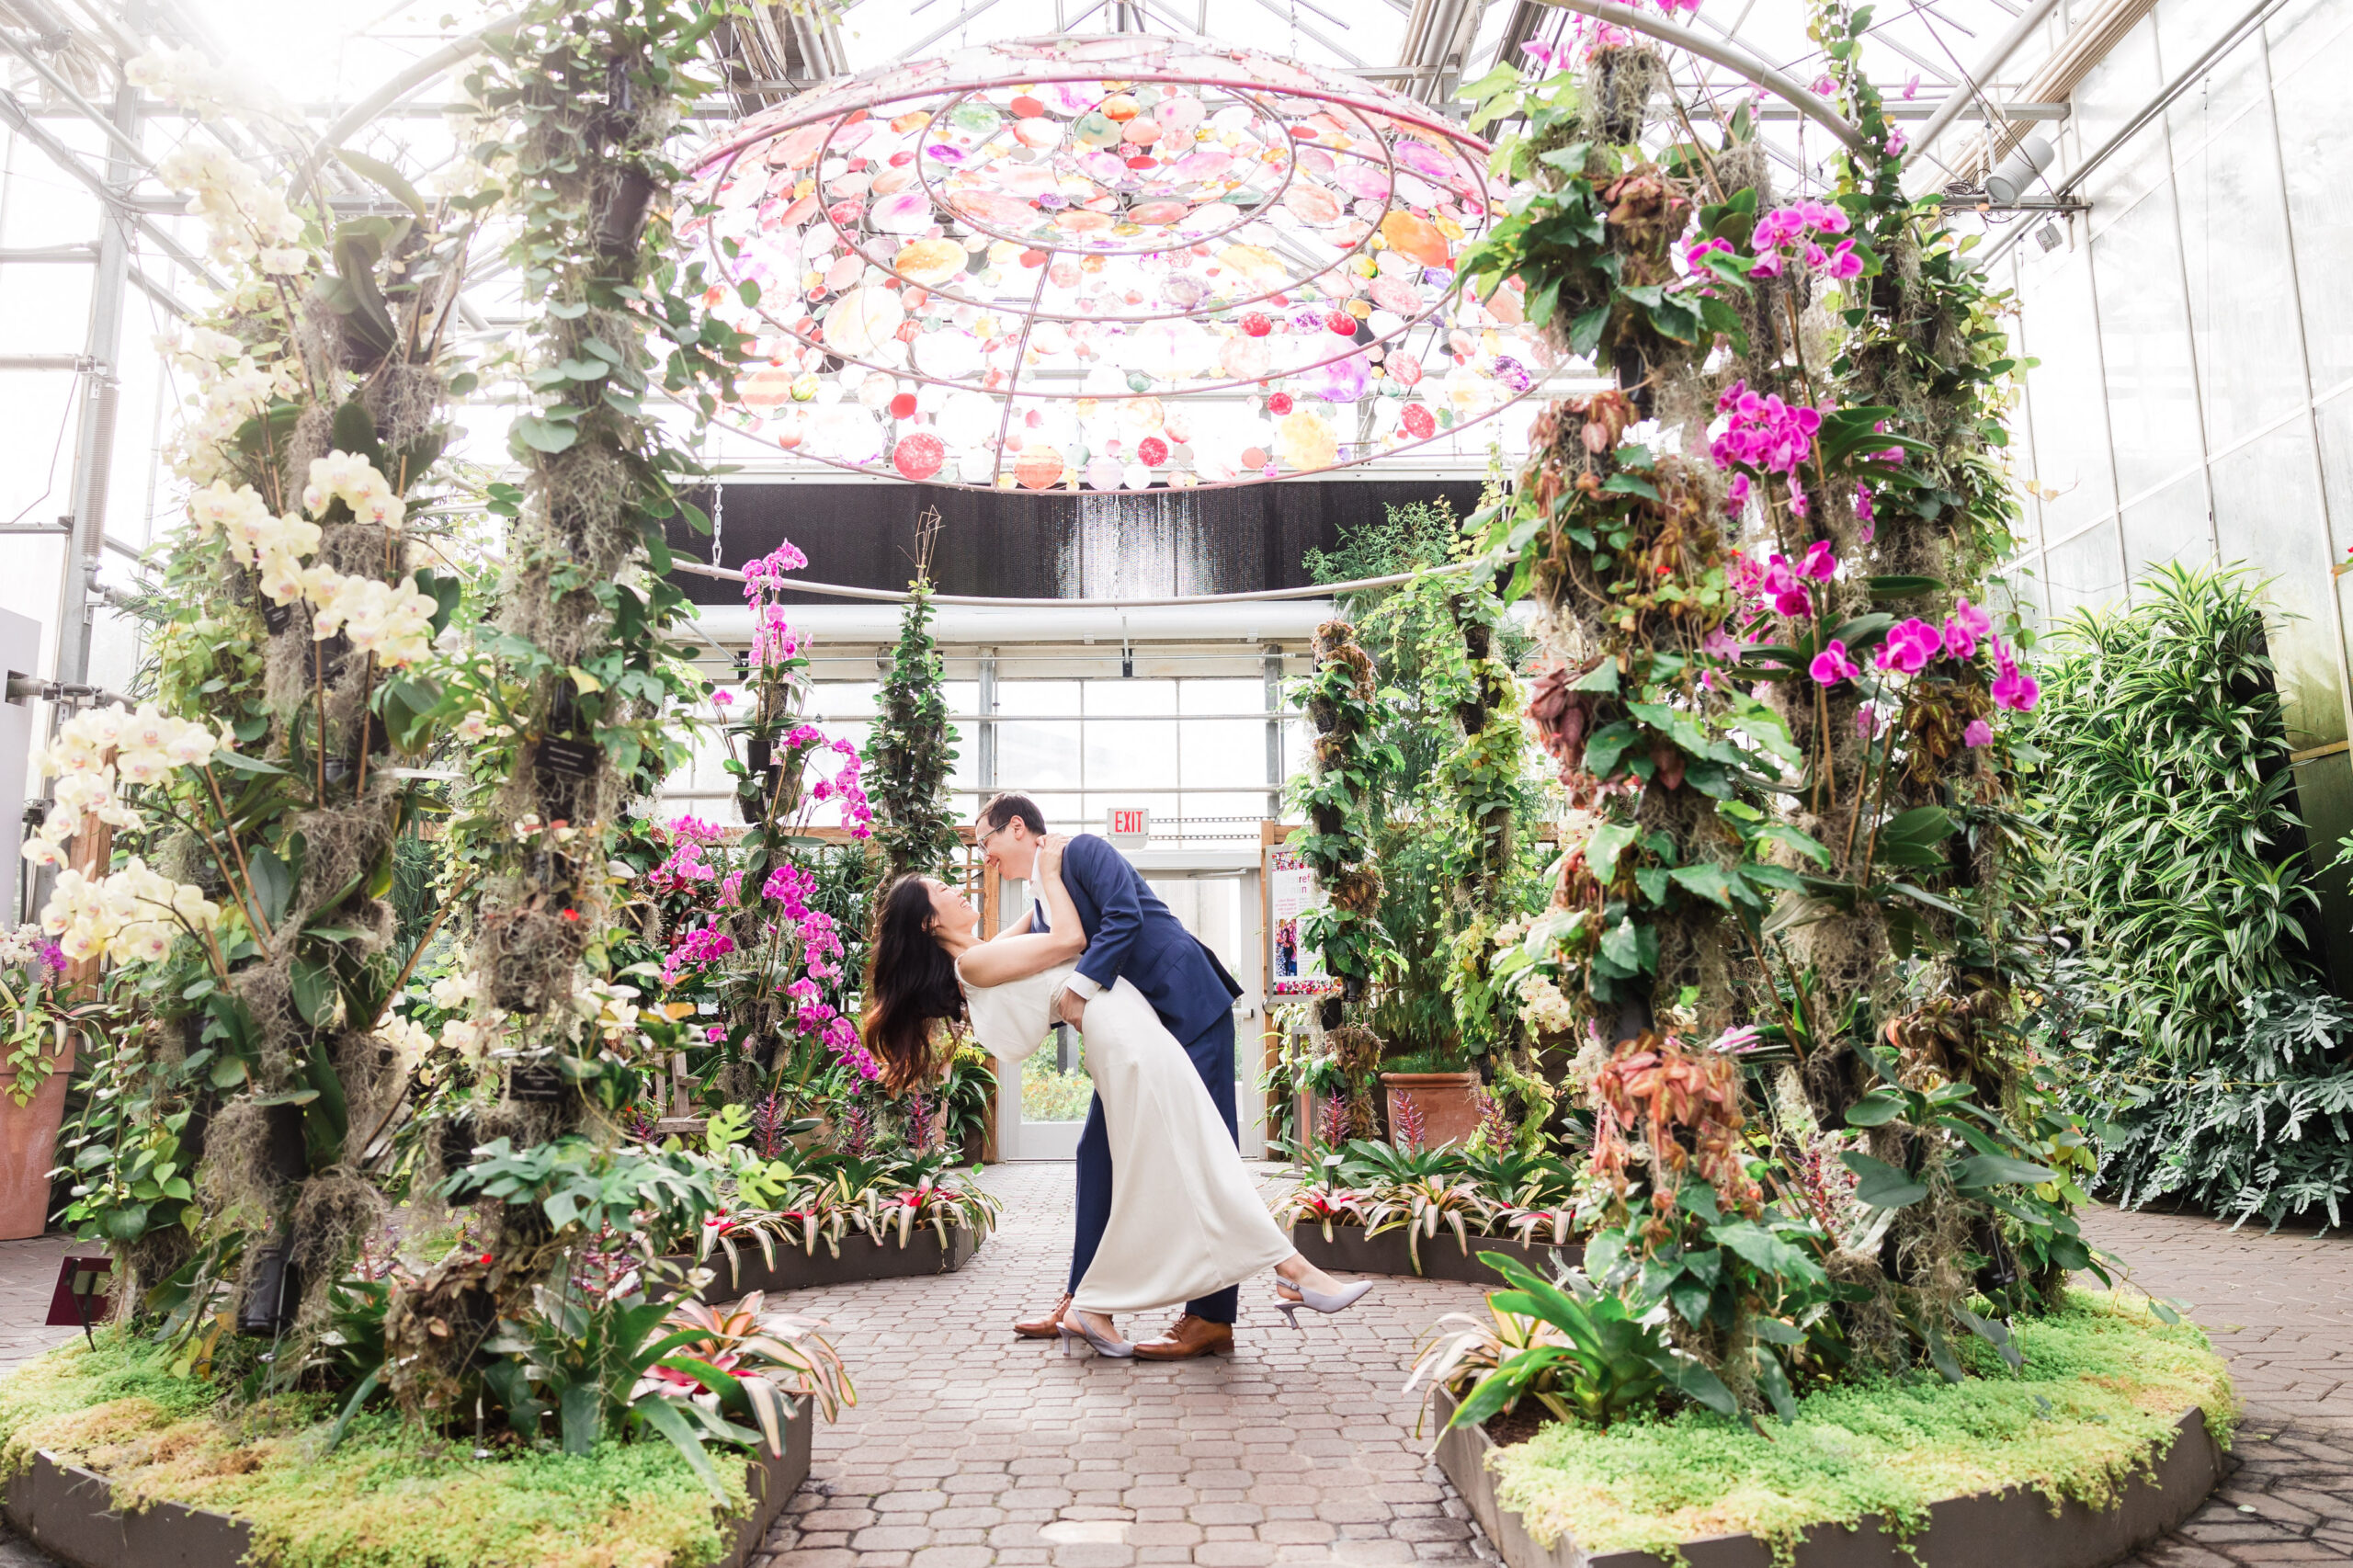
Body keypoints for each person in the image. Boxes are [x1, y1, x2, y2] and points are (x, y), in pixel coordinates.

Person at [862, 832, 1370, 1358]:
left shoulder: (985, 954)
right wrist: (1054, 874)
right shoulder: (973, 966)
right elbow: (1068, 939)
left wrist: (1043, 871)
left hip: (1133, 1025)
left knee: (1188, 1154)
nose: (962, 885)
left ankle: (1098, 1303)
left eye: (988, 841)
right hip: (1123, 1034)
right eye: (944, 888)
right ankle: (1291, 1272)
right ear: (928, 921)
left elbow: (1041, 921)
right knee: (1190, 1153)